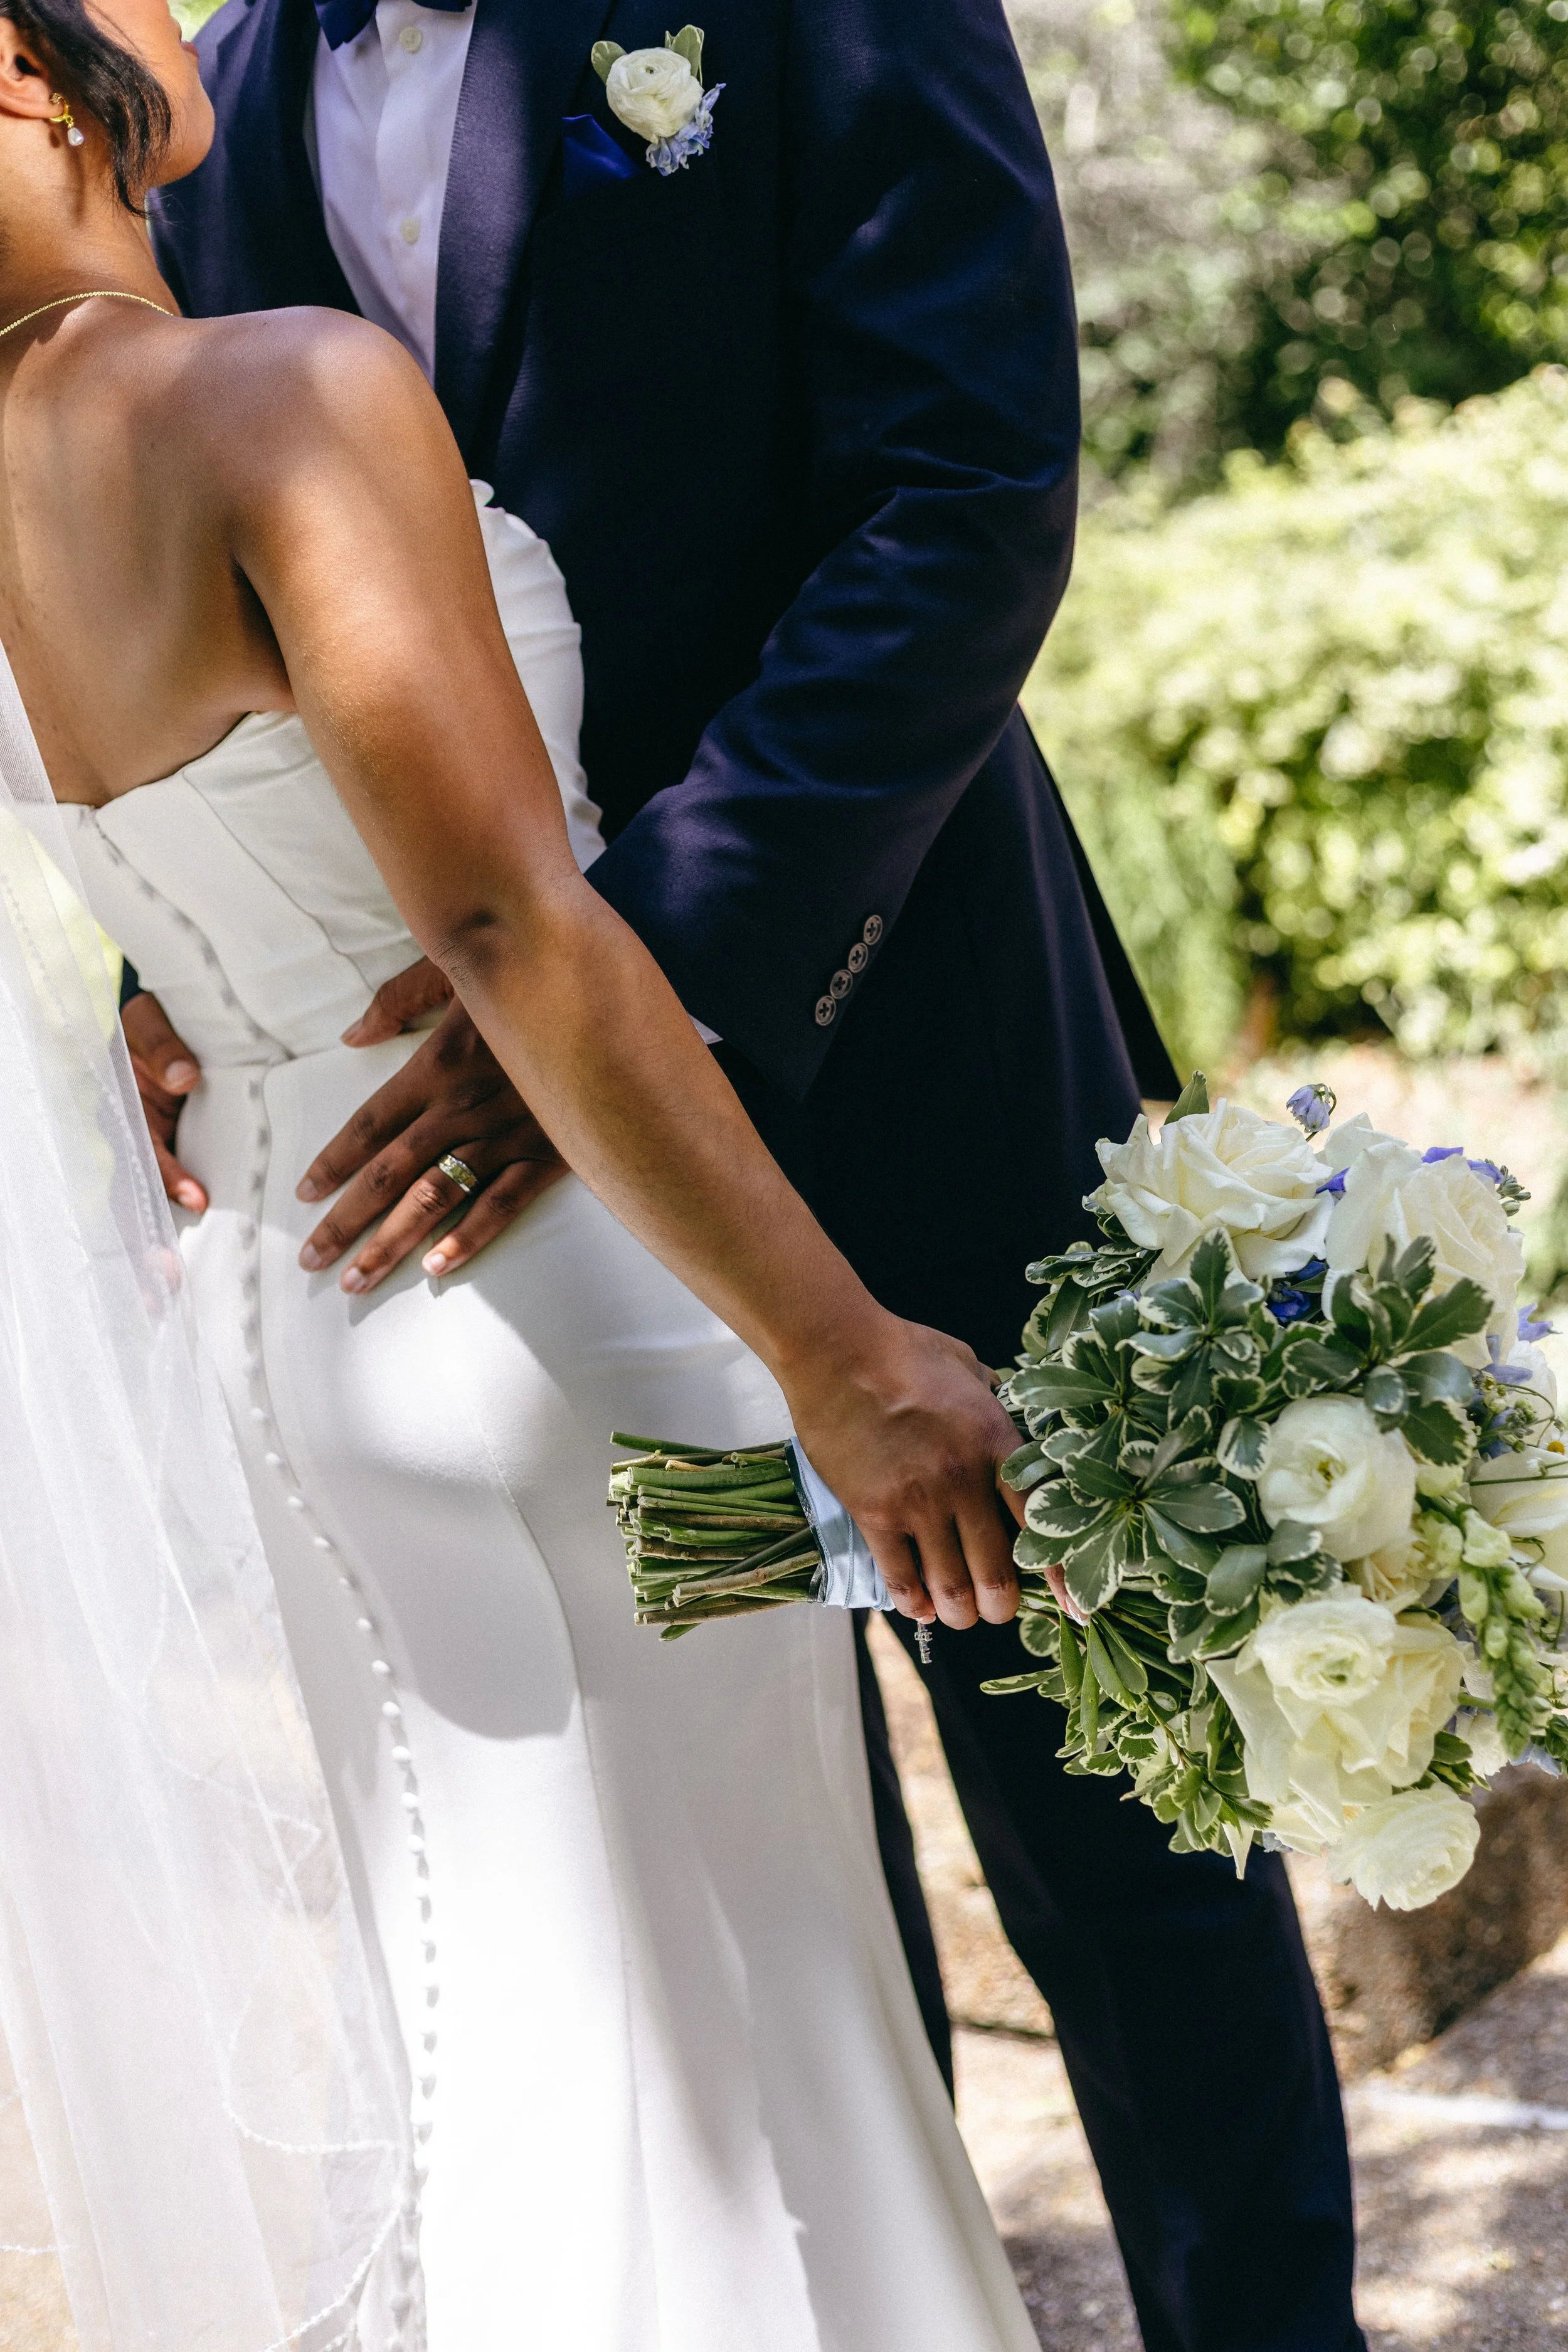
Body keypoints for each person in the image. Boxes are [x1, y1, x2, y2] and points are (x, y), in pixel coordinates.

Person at [140, 3, 1367, 2348]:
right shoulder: (214, 118)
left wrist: (635, 977)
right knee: (768, 1853)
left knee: (1120, 1816)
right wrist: (199, 935)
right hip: (547, 1251)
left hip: (919, 1050)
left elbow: (967, 489)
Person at [0, 1, 1046, 2343]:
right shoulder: (279, 395)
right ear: (29, 83)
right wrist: (844, 1353)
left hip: (307, 1347)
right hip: (601, 1354)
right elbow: (500, 924)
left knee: (511, 1998)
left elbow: (181, 885)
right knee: (740, 2006)